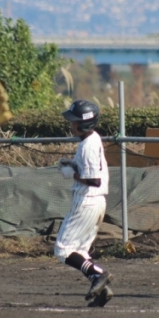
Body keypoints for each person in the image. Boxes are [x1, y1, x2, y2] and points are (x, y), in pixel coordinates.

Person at [55, 99, 113, 307]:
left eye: (75, 122)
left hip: (86, 201)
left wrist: (71, 173)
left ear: (84, 123)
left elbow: (93, 179)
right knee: (79, 251)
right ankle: (102, 291)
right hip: (96, 202)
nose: (71, 125)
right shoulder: (93, 138)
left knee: (62, 249)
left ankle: (97, 275)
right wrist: (73, 165)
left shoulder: (88, 145)